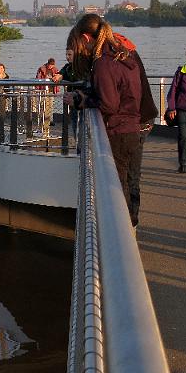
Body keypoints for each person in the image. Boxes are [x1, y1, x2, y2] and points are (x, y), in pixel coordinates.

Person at [66, 19, 156, 227]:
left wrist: (83, 100)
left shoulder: (104, 62)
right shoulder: (122, 50)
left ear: (87, 38)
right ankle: (131, 224)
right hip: (138, 120)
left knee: (118, 181)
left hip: (124, 125)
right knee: (130, 177)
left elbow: (109, 103)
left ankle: (124, 227)